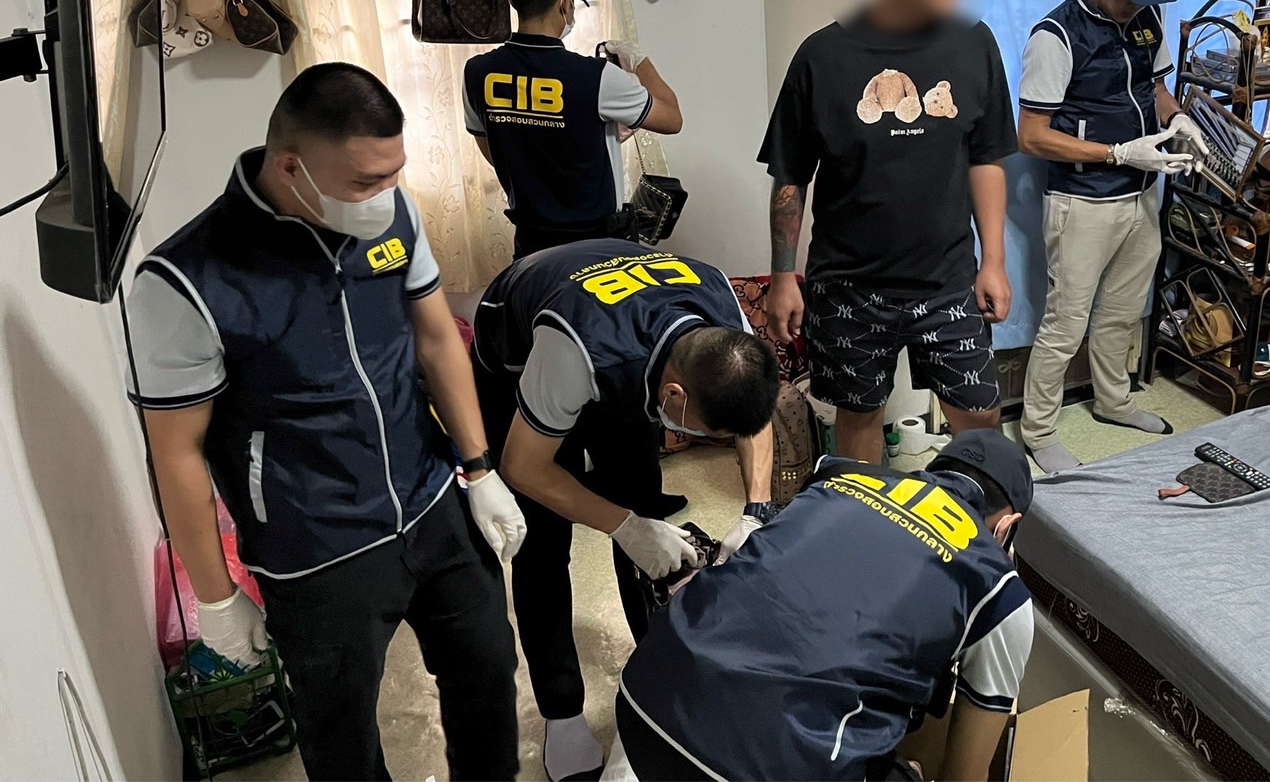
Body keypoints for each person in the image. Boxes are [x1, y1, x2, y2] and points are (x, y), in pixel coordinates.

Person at [129, 64, 525, 781]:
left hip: (431, 497)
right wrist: (216, 598)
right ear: (292, 167)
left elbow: (437, 338)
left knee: (489, 669)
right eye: (366, 181)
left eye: (395, 173)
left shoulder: (393, 215)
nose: (387, 194)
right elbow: (177, 451)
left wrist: (479, 467)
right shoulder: (187, 279)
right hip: (316, 547)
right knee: (341, 734)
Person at [471, 238, 779, 781]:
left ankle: (656, 672)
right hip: (519, 358)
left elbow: (751, 419)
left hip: (625, 348)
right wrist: (625, 527)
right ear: (675, 397)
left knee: (640, 495)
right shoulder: (574, 351)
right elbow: (524, 467)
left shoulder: (725, 321)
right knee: (543, 540)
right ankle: (562, 712)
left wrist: (756, 509)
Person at [606, 429, 1036, 781]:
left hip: (643, 705)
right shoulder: (999, 585)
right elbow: (965, 773)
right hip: (764, 767)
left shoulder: (836, 474)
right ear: (1008, 526)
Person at [759, 0, 1017, 463]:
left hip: (948, 281)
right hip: (849, 285)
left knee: (980, 418)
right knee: (859, 420)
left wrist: (995, 261)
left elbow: (986, 157)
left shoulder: (974, 44)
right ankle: (865, 515)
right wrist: (782, 277)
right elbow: (791, 177)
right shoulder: (821, 58)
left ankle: (988, 518)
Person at [1014, 0, 1207, 472]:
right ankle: (1039, 430)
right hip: (1083, 199)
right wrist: (1119, 153)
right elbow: (1031, 136)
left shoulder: (1147, 14)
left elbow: (1156, 87)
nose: (1135, 5)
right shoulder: (1056, 35)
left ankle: (1113, 401)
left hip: (1142, 191)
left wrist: (1178, 118)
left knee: (1123, 310)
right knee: (1066, 323)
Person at [462, 0, 683, 258]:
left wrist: (589, 141)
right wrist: (639, 61)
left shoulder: (476, 73)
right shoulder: (598, 77)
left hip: (530, 247)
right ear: (566, 2)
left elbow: (498, 150)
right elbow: (672, 119)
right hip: (596, 247)